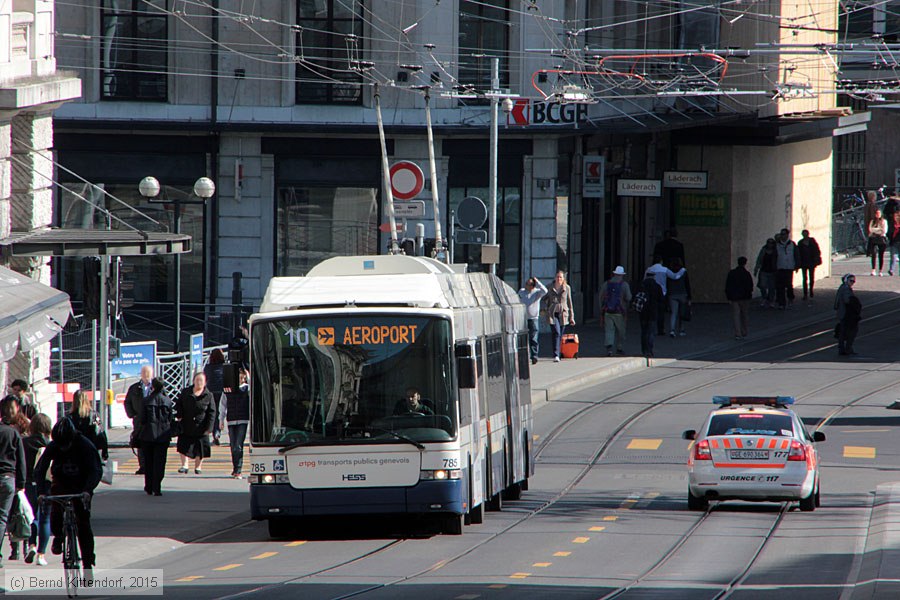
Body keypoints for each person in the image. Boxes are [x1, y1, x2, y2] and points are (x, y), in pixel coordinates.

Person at [33, 417, 101, 571]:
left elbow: (95, 470)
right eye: (60, 445)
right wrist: (41, 492)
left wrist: (88, 490)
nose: (63, 448)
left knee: (83, 522)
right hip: (61, 483)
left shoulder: (85, 445)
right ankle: (58, 536)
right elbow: (40, 469)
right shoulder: (54, 445)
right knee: (56, 511)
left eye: (65, 445)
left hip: (81, 485)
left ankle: (88, 562)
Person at [22, 413, 50, 566]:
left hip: (28, 483)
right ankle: (41, 554)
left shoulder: (24, 442)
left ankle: (31, 545)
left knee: (31, 516)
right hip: (45, 484)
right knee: (45, 518)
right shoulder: (49, 444)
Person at [174, 372, 215, 475]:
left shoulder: (209, 395)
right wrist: (179, 416)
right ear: (193, 381)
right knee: (183, 445)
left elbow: (212, 412)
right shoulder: (186, 392)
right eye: (197, 380)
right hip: (186, 423)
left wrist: (209, 427)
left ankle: (198, 466)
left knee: (201, 447)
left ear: (205, 382)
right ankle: (184, 465)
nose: (199, 382)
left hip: (201, 425)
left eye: (201, 380)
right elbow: (178, 404)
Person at [138, 378, 173, 496]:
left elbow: (142, 419)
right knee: (160, 462)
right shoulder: (167, 401)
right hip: (163, 435)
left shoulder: (146, 400)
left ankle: (148, 486)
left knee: (148, 462)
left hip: (148, 435)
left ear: (152, 386)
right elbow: (170, 419)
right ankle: (157, 487)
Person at [0, 405, 24, 569]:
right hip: (8, 477)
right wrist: (21, 484)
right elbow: (21, 461)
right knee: (2, 517)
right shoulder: (13, 433)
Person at [220, 368, 250, 478]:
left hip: (243, 419)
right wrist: (221, 420)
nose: (241, 379)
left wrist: (248, 375)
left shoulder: (246, 388)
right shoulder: (228, 389)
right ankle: (235, 468)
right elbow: (222, 405)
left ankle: (238, 469)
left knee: (238, 446)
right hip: (231, 420)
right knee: (233, 446)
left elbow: (252, 387)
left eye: (243, 377)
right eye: (239, 377)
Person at [124, 365, 154, 475]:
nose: (146, 375)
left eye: (148, 373)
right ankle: (143, 466)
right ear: (141, 374)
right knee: (140, 443)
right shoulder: (134, 388)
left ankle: (151, 466)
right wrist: (133, 415)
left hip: (152, 421)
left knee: (152, 443)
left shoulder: (155, 387)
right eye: (144, 373)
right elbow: (127, 402)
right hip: (139, 421)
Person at [646, 256, 686, 335]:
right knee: (661, 312)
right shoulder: (664, 269)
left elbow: (645, 280)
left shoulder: (649, 269)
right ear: (661, 261)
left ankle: (651, 328)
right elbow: (675, 276)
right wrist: (682, 270)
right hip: (662, 292)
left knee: (652, 311)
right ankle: (660, 329)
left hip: (651, 292)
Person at [599, 266, 632, 356]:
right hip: (619, 312)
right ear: (622, 275)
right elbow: (629, 297)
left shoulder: (606, 284)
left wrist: (601, 308)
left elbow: (601, 296)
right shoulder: (624, 285)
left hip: (608, 311)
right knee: (621, 331)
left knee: (609, 330)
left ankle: (609, 349)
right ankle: (619, 348)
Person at [68, 390, 108, 462]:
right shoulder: (94, 415)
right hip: (91, 450)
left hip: (75, 452)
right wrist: (105, 451)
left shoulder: (70, 417)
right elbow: (101, 432)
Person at [544, 271, 575, 363]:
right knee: (556, 333)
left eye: (561, 277)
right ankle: (556, 355)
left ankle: (560, 352)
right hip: (553, 313)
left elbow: (569, 302)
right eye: (557, 277)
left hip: (563, 313)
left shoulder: (567, 288)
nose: (559, 279)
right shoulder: (549, 287)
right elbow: (543, 298)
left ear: (563, 278)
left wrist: (572, 317)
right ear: (555, 278)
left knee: (559, 334)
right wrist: (546, 308)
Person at [517, 277, 547, 364]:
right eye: (526, 283)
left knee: (533, 338)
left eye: (529, 284)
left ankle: (534, 356)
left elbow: (545, 291)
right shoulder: (521, 291)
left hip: (533, 319)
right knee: (523, 338)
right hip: (523, 318)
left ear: (533, 286)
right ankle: (523, 355)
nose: (526, 285)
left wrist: (537, 282)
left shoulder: (537, 292)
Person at [637, 269, 664, 359]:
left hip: (643, 312)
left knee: (644, 331)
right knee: (651, 332)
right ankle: (650, 350)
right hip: (653, 312)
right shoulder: (657, 286)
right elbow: (661, 300)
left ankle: (644, 350)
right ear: (654, 276)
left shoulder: (641, 285)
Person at [725, 257, 754, 340]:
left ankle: (738, 333)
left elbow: (728, 285)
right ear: (745, 263)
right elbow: (750, 286)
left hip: (734, 297)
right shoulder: (747, 274)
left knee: (736, 315)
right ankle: (744, 331)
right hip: (745, 297)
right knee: (744, 314)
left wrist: (729, 297)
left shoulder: (732, 273)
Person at [204, 348, 226, 446]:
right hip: (221, 391)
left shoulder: (208, 367)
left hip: (211, 392)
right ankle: (217, 432)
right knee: (219, 412)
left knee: (213, 412)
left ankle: (213, 432)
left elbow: (205, 379)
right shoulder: (224, 366)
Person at [834, 274, 860, 356]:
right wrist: (855, 302)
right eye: (851, 281)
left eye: (853, 281)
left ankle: (843, 348)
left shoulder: (843, 287)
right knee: (851, 331)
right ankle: (847, 348)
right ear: (846, 280)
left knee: (844, 331)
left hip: (843, 313)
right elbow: (847, 300)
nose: (852, 282)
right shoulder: (845, 289)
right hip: (846, 314)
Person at [775, 228, 800, 309]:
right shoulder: (777, 245)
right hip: (780, 267)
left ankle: (790, 298)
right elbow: (774, 256)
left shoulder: (792, 244)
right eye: (781, 234)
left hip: (789, 267)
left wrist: (797, 266)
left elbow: (796, 255)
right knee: (780, 286)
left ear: (787, 235)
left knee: (789, 284)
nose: (783, 236)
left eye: (784, 234)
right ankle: (782, 303)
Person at [666, 258, 691, 338]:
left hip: (672, 294)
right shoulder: (684, 272)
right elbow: (687, 284)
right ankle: (681, 330)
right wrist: (689, 297)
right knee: (682, 313)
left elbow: (667, 284)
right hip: (682, 294)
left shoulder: (669, 272)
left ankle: (672, 330)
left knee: (673, 313)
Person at [797, 229, 823, 300]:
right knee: (804, 278)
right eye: (804, 234)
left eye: (806, 234)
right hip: (804, 263)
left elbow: (817, 250)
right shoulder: (800, 243)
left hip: (811, 262)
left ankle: (811, 290)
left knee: (811, 278)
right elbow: (798, 253)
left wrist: (816, 258)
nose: (805, 235)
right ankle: (805, 293)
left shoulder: (812, 241)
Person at [754, 238, 778, 307]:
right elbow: (759, 259)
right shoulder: (763, 250)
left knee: (772, 287)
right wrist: (756, 268)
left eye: (771, 243)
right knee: (762, 285)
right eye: (769, 243)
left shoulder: (775, 251)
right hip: (764, 270)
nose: (770, 244)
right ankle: (764, 297)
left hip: (772, 271)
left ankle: (771, 300)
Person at [866, 212, 887, 277]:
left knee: (881, 255)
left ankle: (880, 270)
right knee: (873, 254)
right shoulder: (872, 221)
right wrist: (879, 229)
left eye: (879, 214)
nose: (878, 215)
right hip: (873, 238)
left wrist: (876, 230)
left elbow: (884, 230)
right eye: (876, 214)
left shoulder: (884, 221)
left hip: (881, 238)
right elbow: (871, 229)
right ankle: (873, 270)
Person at [888, 212, 900, 276]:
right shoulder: (892, 224)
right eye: (895, 216)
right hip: (894, 242)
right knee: (893, 257)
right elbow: (888, 233)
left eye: (898, 216)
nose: (896, 218)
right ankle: (891, 270)